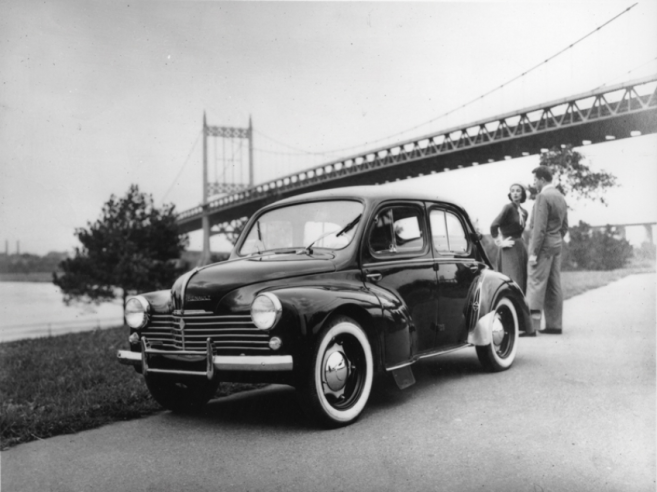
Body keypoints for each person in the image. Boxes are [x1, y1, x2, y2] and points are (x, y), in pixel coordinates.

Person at [526, 166, 568, 336]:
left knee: (535, 284)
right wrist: (556, 239)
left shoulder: (542, 196)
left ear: (542, 179)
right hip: (556, 245)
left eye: (535, 179)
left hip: (542, 247)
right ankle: (554, 325)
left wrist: (534, 252)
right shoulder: (560, 197)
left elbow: (539, 229)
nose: (534, 183)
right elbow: (564, 227)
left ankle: (532, 326)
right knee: (554, 285)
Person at [490, 183, 529, 293]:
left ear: (522, 194)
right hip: (509, 248)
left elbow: (520, 229)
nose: (515, 193)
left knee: (522, 280)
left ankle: (520, 309)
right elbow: (494, 225)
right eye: (512, 191)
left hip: (520, 249)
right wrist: (500, 242)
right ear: (510, 194)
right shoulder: (508, 208)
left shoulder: (525, 212)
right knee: (512, 280)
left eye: (518, 191)